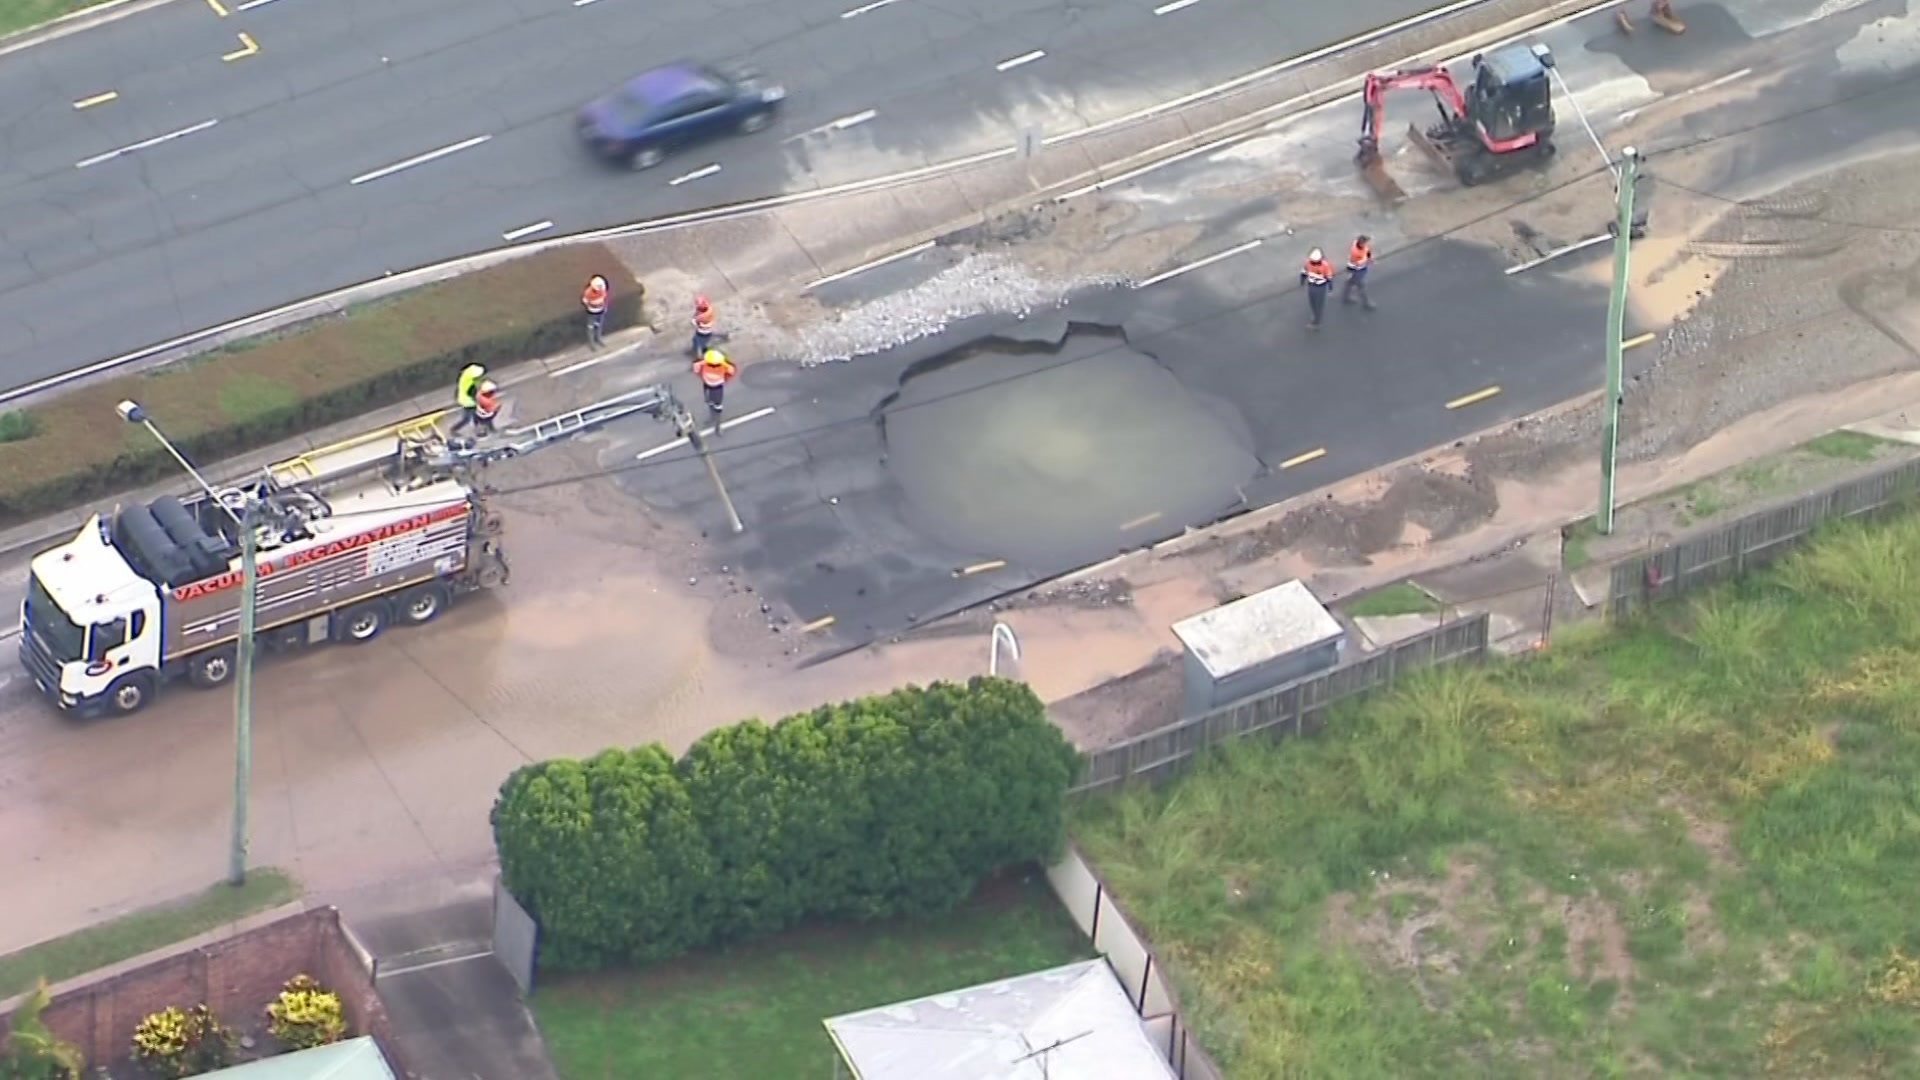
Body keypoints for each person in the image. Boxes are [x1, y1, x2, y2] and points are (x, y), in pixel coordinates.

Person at [694, 347, 737, 426]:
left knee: (714, 402)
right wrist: (724, 363)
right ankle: (716, 411)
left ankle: (716, 414)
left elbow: (696, 368)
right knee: (714, 401)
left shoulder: (705, 363)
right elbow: (731, 371)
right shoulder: (723, 366)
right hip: (713, 385)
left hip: (712, 385)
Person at [1300, 248, 1336, 329]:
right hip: (1311, 285)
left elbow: (1329, 278)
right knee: (1312, 302)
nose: (1313, 263)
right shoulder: (1308, 262)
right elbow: (1303, 273)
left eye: (1315, 262)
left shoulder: (1325, 265)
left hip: (1321, 287)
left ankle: (1317, 322)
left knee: (1318, 305)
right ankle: (1315, 314)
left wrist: (1330, 290)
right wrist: (1302, 283)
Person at [1342, 235, 1376, 311]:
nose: (1366, 244)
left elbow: (1367, 253)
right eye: (1365, 242)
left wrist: (1370, 259)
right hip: (1358, 271)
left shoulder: (1358, 244)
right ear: (1361, 243)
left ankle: (1346, 297)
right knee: (1361, 287)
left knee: (1350, 283)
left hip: (1361, 269)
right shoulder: (1356, 253)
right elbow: (1354, 263)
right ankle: (1366, 303)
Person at [452, 363, 486, 433]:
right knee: (476, 415)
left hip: (463, 400)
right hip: (469, 402)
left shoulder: (465, 376)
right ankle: (479, 430)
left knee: (467, 418)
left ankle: (454, 429)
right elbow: (471, 393)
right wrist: (477, 400)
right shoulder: (469, 382)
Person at [581, 275, 610, 349]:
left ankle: (598, 339)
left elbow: (605, 298)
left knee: (599, 325)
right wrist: (592, 307)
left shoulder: (603, 289)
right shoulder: (588, 292)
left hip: (601, 310)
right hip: (592, 312)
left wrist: (605, 307)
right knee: (591, 327)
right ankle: (592, 343)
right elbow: (585, 302)